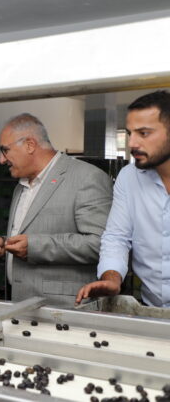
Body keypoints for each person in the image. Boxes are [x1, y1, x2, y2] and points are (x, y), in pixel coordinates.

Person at [0, 113, 113, 306]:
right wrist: (5, 245)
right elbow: (33, 233)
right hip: (20, 304)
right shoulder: (21, 186)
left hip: (62, 307)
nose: (1, 160)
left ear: (30, 145)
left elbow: (100, 244)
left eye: (5, 150)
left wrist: (35, 247)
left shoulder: (87, 178)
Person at [76, 91, 170, 307]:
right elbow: (117, 237)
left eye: (143, 133)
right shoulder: (129, 177)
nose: (132, 143)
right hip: (153, 310)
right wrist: (111, 277)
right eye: (129, 133)